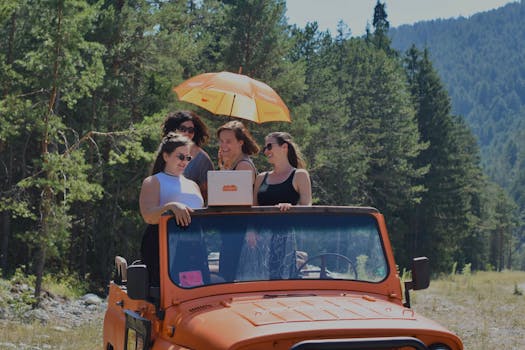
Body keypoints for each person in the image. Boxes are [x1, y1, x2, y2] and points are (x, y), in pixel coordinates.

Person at [139, 133, 204, 285]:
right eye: (180, 157)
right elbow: (148, 216)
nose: (184, 162)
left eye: (188, 158)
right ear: (166, 156)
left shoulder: (193, 184)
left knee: (195, 291)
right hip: (163, 247)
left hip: (194, 246)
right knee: (167, 294)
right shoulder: (153, 181)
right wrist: (170, 206)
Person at [161, 111, 214, 201]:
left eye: (191, 130)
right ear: (173, 129)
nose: (187, 133)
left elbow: (207, 195)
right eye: (182, 128)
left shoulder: (202, 160)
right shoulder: (165, 152)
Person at [254, 132, 312, 211]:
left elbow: (307, 207)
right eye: (265, 148)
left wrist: (291, 208)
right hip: (262, 223)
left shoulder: (300, 175)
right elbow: (253, 210)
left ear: (284, 147)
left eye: (269, 146)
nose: (265, 151)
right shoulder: (260, 178)